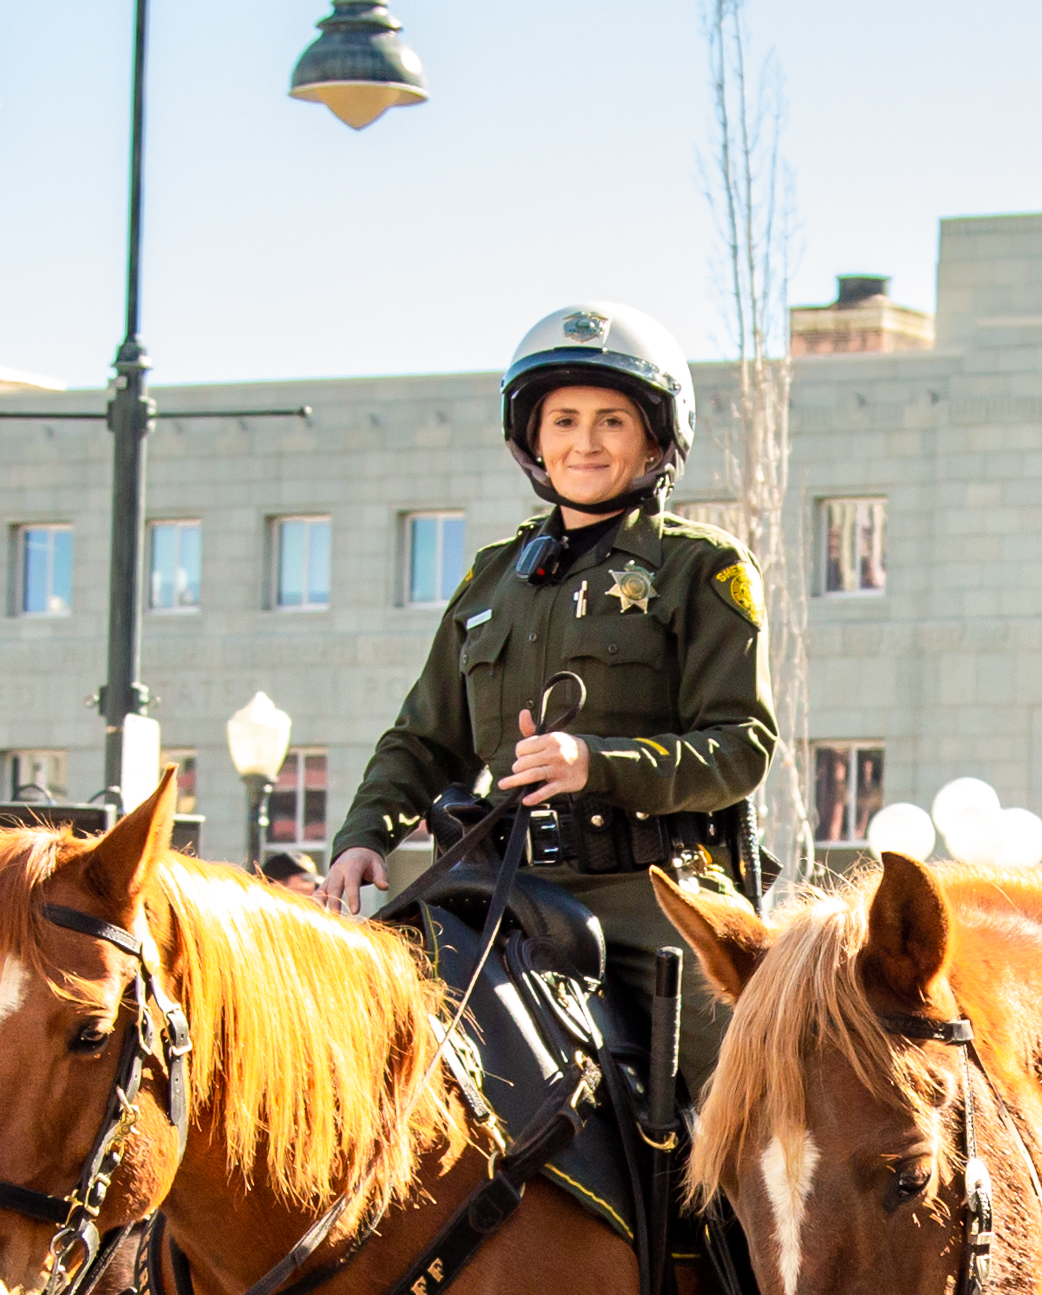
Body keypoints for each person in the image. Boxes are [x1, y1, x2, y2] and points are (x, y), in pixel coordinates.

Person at [323, 300, 774, 1091]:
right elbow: (423, 739)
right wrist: (364, 836)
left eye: (612, 421)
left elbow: (740, 749)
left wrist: (593, 763)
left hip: (652, 899)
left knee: (748, 1096)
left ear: (655, 440)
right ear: (533, 438)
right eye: (563, 420)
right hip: (493, 888)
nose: (584, 442)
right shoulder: (492, 577)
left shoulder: (701, 568)